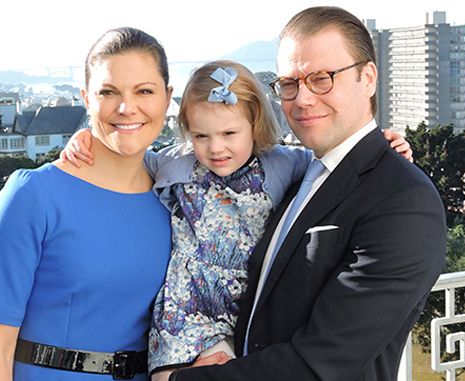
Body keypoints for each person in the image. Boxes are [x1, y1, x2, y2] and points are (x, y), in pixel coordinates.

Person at [62, 58, 414, 380]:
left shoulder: (284, 164)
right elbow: (126, 154)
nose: (216, 148)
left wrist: (384, 145)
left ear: (254, 124)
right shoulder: (177, 165)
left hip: (250, 319)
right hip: (186, 314)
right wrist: (88, 138)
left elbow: (340, 164)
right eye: (201, 136)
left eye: (230, 134)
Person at [164, 6, 447, 381]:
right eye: (290, 84)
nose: (303, 99)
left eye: (322, 78)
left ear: (368, 78)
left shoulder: (404, 200)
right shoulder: (293, 174)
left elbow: (322, 361)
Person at [0, 27, 174, 381]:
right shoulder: (33, 195)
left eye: (144, 91)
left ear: (167, 98)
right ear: (86, 98)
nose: (127, 108)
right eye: (108, 92)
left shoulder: (174, 195)